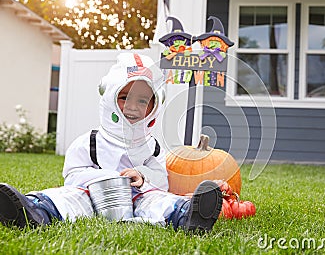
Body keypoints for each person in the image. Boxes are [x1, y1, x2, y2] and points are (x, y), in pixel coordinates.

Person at [0, 53, 222, 232]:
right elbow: (72, 175)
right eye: (124, 97)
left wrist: (142, 176)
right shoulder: (91, 142)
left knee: (158, 201)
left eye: (143, 100)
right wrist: (108, 178)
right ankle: (34, 210)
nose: (133, 107)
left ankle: (187, 216)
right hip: (94, 198)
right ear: (109, 98)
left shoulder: (152, 147)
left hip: (138, 198)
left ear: (155, 106)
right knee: (69, 197)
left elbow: (161, 179)